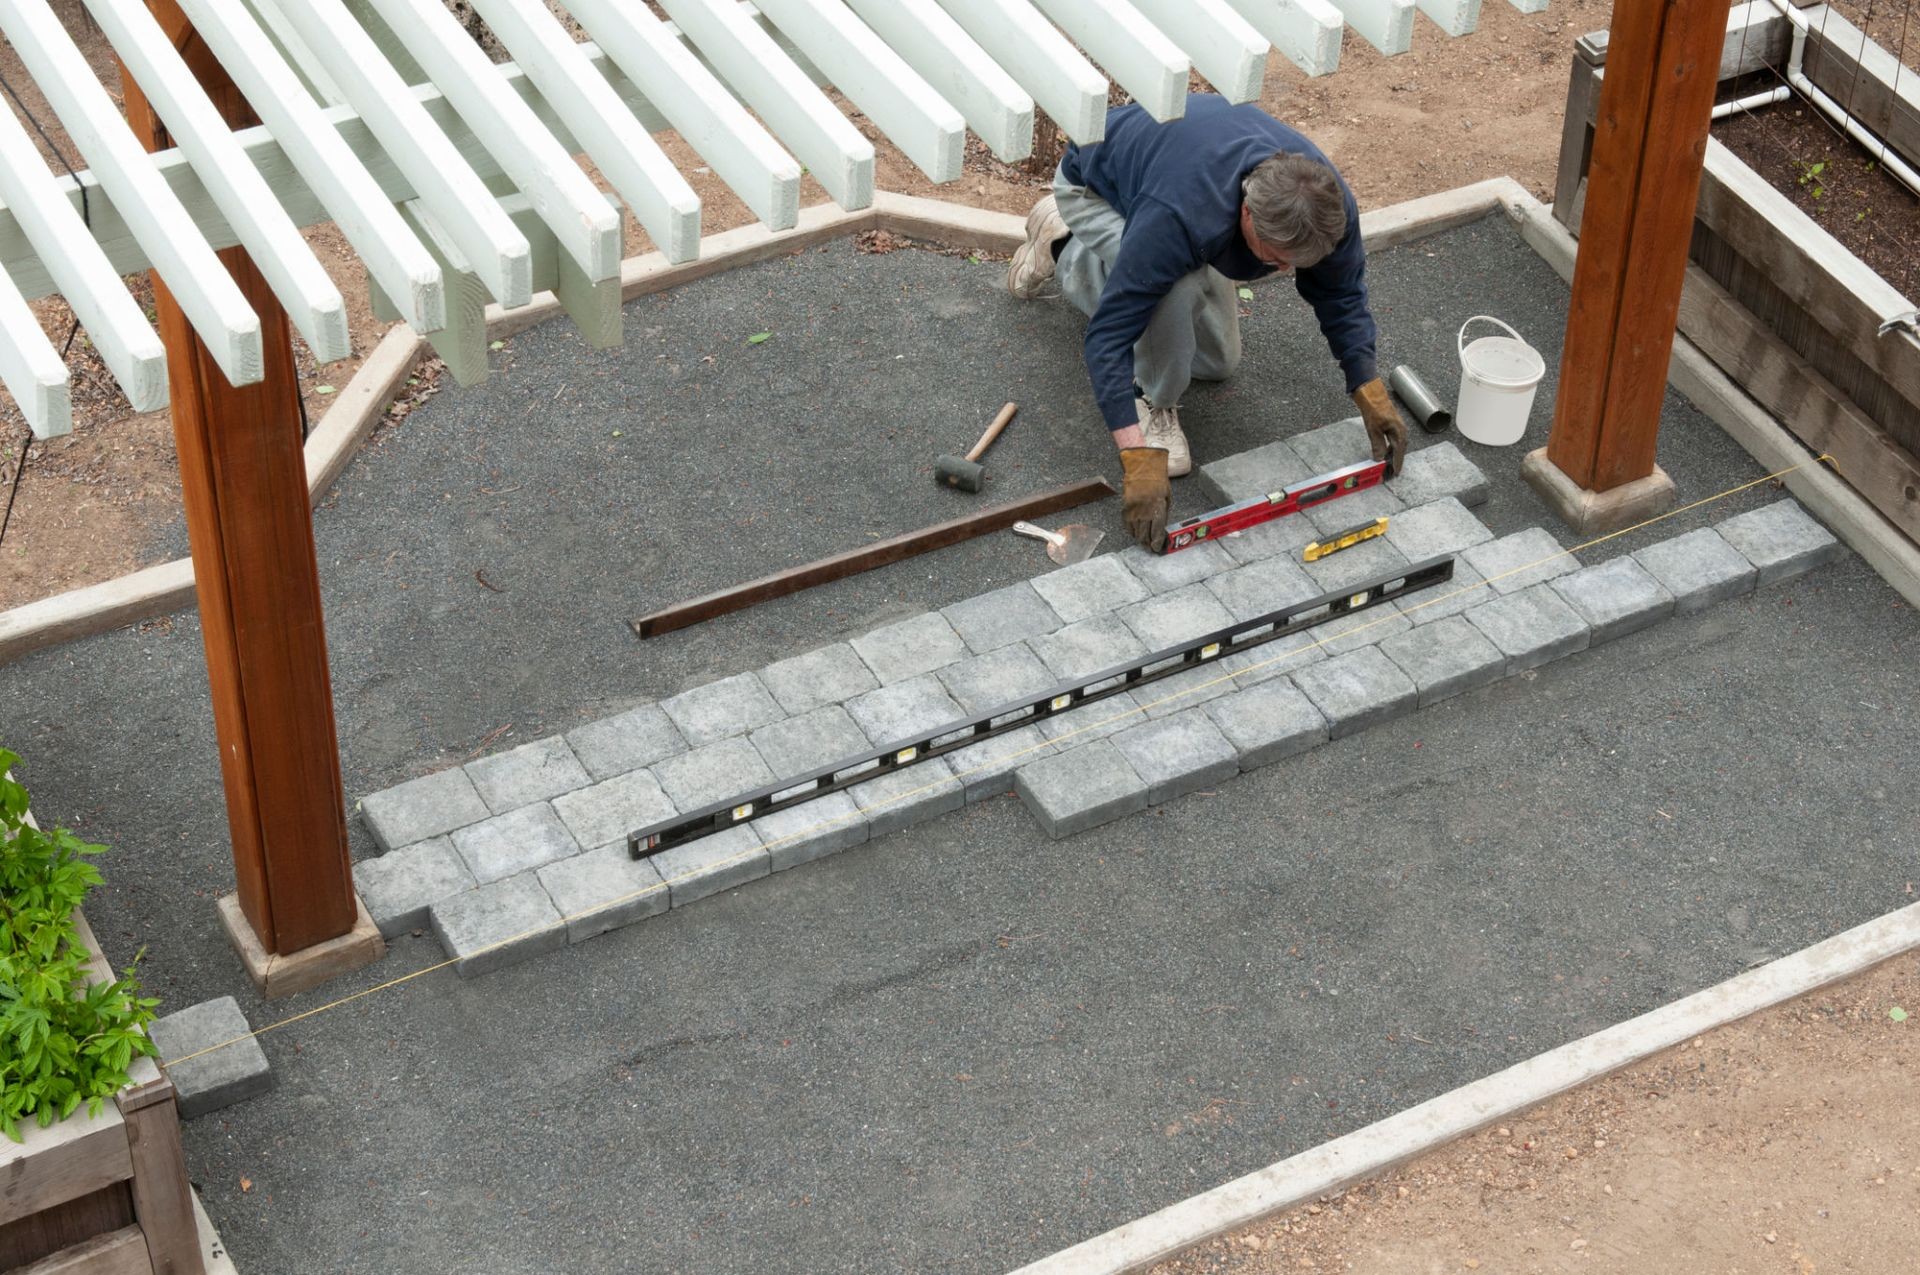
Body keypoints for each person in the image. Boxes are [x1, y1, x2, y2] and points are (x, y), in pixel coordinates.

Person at [1006, 93, 1407, 552]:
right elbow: (1108, 339)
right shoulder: (1179, 218)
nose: (1282, 271)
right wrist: (1137, 458)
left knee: (1216, 363)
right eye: (1275, 258)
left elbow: (1341, 293)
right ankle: (1060, 243)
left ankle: (1152, 271)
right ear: (1246, 212)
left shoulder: (1326, 209)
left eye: (1293, 264)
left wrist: (1367, 389)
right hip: (1094, 182)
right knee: (1172, 286)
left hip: (1180, 165)